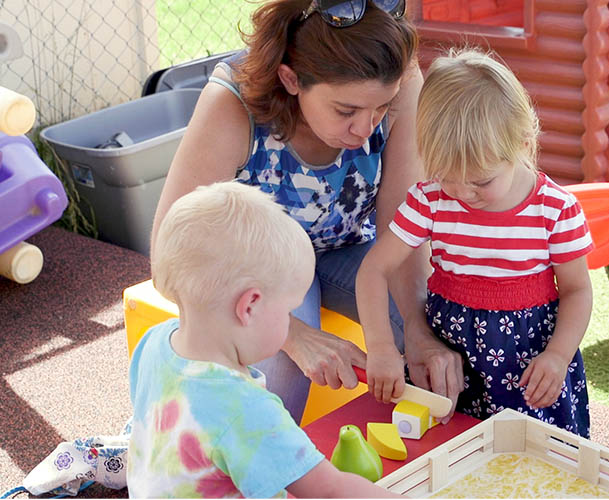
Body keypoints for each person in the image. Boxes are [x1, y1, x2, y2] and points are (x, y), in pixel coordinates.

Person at [150, 0, 464, 424]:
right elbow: (168, 256)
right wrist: (294, 336)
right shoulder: (231, 106)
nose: (366, 128)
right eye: (346, 110)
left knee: (443, 323)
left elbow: (401, 223)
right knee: (276, 366)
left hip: (348, 249)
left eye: (381, 109)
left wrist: (418, 327)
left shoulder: (401, 82)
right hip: (252, 269)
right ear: (291, 79)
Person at [356, 48, 594, 437]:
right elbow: (373, 270)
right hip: (455, 368)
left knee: (536, 460)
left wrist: (557, 355)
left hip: (528, 370)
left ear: (520, 142)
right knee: (452, 449)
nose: (463, 192)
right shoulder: (432, 199)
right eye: (447, 176)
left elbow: (577, 290)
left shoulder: (555, 210)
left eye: (481, 180)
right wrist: (381, 346)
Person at [128, 182, 400, 498]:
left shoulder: (155, 342)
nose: (290, 323)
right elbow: (331, 491)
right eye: (288, 310)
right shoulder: (247, 410)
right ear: (250, 306)